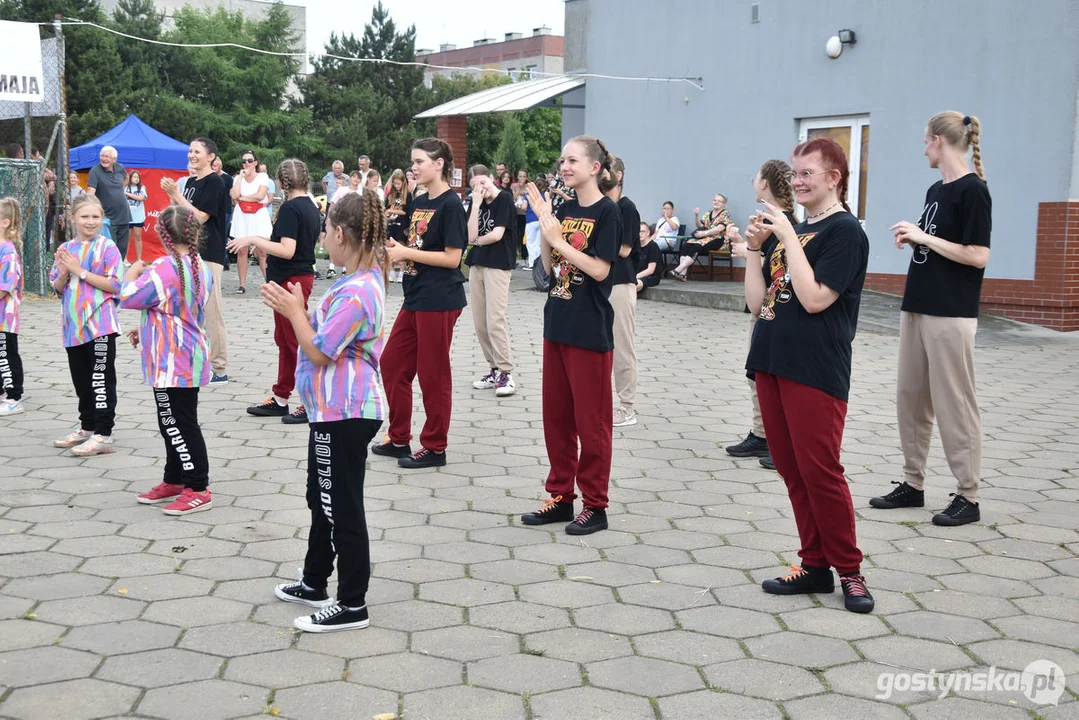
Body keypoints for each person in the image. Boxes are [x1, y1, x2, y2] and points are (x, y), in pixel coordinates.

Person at [744, 138, 873, 613]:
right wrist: (757, 251)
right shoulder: (794, 231)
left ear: (834, 178)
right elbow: (758, 304)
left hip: (815, 368)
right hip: (773, 360)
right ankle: (814, 563)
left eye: (806, 174)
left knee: (821, 471)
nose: (796, 182)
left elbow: (817, 297)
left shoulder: (846, 233)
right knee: (791, 468)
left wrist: (788, 238)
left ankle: (851, 571)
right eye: (794, 174)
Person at [266, 190, 388, 632]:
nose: (322, 238)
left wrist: (294, 310)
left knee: (342, 505)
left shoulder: (358, 291)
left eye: (325, 230)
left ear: (339, 233)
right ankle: (315, 580)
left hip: (348, 412)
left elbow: (319, 352)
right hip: (330, 410)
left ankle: (352, 602)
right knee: (322, 498)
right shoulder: (350, 281)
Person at [870, 112, 991, 528]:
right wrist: (914, 239)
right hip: (917, 305)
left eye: (925, 141)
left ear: (939, 141)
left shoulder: (974, 191)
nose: (922, 148)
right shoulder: (935, 189)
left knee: (955, 402)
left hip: (951, 312)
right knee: (911, 397)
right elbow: (939, 247)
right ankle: (912, 483)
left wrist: (924, 237)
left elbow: (978, 255)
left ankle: (968, 496)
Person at [519, 136, 620, 536]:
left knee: (591, 423)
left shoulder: (608, 212)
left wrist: (560, 238)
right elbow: (549, 266)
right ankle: (561, 497)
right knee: (556, 418)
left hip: (588, 329)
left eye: (572, 160)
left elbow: (600, 271)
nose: (564, 166)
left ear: (594, 167)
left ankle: (595, 505)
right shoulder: (563, 207)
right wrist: (547, 231)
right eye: (562, 160)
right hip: (556, 322)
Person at [371, 138, 466, 469]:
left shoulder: (451, 205)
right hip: (416, 295)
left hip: (440, 298)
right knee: (393, 363)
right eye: (413, 161)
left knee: (433, 374)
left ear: (439, 164)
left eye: (420, 161)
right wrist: (399, 249)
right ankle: (399, 438)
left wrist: (407, 253)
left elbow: (453, 258)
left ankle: (435, 446)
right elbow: (421, 245)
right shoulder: (421, 200)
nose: (414, 167)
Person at [124, 205, 214, 515]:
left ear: (162, 235)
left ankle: (198, 486)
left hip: (173, 361)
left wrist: (132, 271)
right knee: (171, 421)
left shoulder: (164, 268)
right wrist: (148, 328)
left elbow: (129, 296)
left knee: (179, 423)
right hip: (183, 355)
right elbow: (176, 308)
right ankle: (175, 478)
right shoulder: (198, 265)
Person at [229, 160, 320, 425]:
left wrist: (254, 239)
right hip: (294, 278)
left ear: (280, 183)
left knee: (295, 342)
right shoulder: (310, 206)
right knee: (286, 339)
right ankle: (281, 397)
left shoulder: (292, 208)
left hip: (292, 279)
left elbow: (288, 250)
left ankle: (308, 401)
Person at [725, 161, 797, 470]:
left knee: (772, 380)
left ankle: (779, 441)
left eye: (756, 177)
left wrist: (746, 251)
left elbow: (783, 263)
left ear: (765, 184)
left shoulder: (783, 222)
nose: (753, 181)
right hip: (764, 307)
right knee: (756, 377)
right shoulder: (766, 218)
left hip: (778, 310)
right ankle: (761, 433)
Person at [49, 195, 123, 456]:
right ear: (73, 218)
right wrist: (63, 272)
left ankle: (104, 434)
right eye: (85, 216)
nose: (90, 222)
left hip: (100, 326)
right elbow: (57, 289)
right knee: (82, 381)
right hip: (73, 328)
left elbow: (115, 285)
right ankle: (87, 427)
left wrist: (79, 270)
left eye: (95, 216)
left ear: (102, 218)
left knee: (101, 380)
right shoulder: (66, 248)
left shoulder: (108, 247)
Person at [162, 138, 230, 385]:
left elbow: (199, 217)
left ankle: (219, 368)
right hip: (186, 252)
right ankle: (193, 358)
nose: (191, 155)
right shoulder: (189, 182)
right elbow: (180, 213)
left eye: (197, 151)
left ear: (211, 156)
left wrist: (176, 194)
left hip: (208, 254)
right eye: (190, 151)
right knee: (189, 308)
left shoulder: (215, 182)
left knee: (212, 311)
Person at [466, 165, 517, 398]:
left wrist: (476, 240)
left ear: (491, 179)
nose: (480, 188)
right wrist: (475, 205)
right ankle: (493, 368)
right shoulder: (476, 203)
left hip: (498, 264)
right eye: (475, 185)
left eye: (483, 182)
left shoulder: (504, 198)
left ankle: (506, 372)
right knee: (480, 322)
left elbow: (496, 234)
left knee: (494, 319)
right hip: (477, 264)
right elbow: (469, 236)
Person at [603, 156, 642, 428]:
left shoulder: (627, 208)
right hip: (601, 283)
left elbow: (625, 249)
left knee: (622, 346)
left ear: (617, 174)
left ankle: (626, 407)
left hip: (620, 282)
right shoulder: (602, 206)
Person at [229, 150, 272, 295]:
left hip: (258, 214)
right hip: (242, 214)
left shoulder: (262, 176)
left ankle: (269, 281)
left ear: (255, 162)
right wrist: (240, 178)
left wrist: (241, 198)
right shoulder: (237, 178)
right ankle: (242, 284)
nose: (246, 163)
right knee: (242, 250)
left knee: (262, 250)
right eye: (244, 161)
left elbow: (260, 196)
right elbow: (233, 195)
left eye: (249, 160)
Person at [668, 194, 732, 281]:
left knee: (697, 247)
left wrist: (704, 233)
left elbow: (719, 229)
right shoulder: (708, 213)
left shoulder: (725, 214)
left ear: (724, 204)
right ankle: (683, 274)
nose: (716, 202)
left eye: (719, 201)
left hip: (718, 239)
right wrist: (696, 215)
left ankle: (678, 269)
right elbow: (700, 225)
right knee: (686, 245)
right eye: (715, 200)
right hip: (704, 238)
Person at [0, 198, 25, 416]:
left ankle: (14, 396)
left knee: (6, 355)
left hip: (4, 318)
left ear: (5, 222)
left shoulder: (7, 252)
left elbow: (5, 286)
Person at [87, 146, 132, 261]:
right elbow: (91, 192)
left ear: (114, 159)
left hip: (124, 215)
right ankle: (108, 276)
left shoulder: (120, 168)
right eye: (102, 156)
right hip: (108, 218)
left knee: (122, 249)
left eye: (107, 156)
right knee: (110, 249)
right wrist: (88, 209)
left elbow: (126, 178)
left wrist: (119, 190)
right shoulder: (95, 171)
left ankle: (118, 274)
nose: (104, 159)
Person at [384, 170, 412, 284]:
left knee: (401, 246)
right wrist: (388, 212)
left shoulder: (408, 195)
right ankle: (391, 272)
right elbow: (386, 207)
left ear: (403, 183)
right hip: (391, 224)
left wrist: (392, 210)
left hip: (402, 225)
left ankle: (401, 272)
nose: (396, 186)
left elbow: (406, 212)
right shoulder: (391, 193)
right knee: (389, 247)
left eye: (398, 184)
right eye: (394, 184)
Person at [125, 171, 148, 262]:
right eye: (134, 177)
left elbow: (141, 198)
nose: (136, 179)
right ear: (130, 178)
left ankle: (139, 259)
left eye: (138, 177)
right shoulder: (125, 187)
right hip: (127, 217)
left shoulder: (142, 188)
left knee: (138, 237)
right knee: (126, 239)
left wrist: (127, 194)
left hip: (138, 217)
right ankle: (125, 259)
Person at [635, 222, 662, 293]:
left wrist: (634, 277)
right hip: (637, 276)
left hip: (651, 277)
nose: (639, 234)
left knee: (633, 285)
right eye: (638, 231)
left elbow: (650, 270)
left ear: (648, 233)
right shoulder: (636, 247)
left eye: (642, 231)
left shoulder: (653, 246)